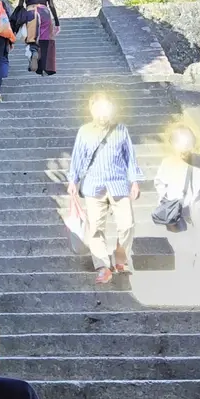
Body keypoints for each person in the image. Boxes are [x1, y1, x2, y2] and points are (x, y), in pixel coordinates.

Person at [67, 94, 141, 284]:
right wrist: (73, 181)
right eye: (99, 110)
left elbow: (130, 157)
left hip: (118, 184)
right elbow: (77, 157)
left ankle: (121, 259)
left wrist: (134, 181)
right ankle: (102, 266)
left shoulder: (121, 130)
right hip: (94, 186)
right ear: (91, 110)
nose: (103, 115)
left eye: (106, 110)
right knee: (95, 229)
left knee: (127, 224)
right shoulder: (84, 131)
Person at [152, 126, 200, 286]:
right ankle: (187, 283)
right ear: (173, 144)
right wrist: (165, 202)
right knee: (183, 249)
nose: (184, 150)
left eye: (188, 145)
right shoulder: (167, 163)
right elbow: (159, 184)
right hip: (177, 214)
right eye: (181, 145)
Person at [16, 0, 60, 77]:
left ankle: (34, 53)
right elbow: (52, 5)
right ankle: (43, 68)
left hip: (31, 13)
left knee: (32, 38)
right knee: (45, 40)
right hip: (44, 13)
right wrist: (57, 22)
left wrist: (17, 21)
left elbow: (20, 6)